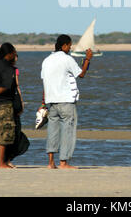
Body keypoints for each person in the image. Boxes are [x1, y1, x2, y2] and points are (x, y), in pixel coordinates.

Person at [41, 34, 93, 169]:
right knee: (68, 131)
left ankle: (51, 162)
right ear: (64, 46)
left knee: (52, 131)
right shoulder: (66, 59)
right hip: (66, 101)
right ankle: (63, 162)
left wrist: (43, 102)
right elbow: (81, 74)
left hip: (51, 101)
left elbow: (45, 82)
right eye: (69, 45)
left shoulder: (46, 60)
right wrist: (87, 59)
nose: (70, 48)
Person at [4, 53, 30, 168]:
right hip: (8, 104)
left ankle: (7, 159)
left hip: (13, 103)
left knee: (16, 132)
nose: (15, 61)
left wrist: (21, 103)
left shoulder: (14, 70)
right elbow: (16, 87)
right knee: (11, 132)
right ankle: (6, 160)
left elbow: (17, 87)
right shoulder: (7, 70)